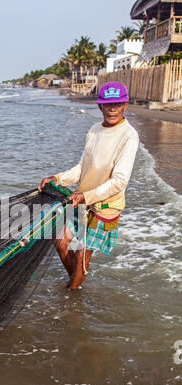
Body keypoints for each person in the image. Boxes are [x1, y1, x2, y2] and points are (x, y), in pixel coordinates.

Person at [38, 81, 139, 290]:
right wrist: (58, 178)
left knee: (82, 256)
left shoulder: (129, 135)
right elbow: (82, 167)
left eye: (118, 104)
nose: (112, 109)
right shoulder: (94, 130)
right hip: (81, 201)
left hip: (105, 208)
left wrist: (87, 196)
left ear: (126, 105)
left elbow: (119, 181)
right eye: (108, 104)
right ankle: (76, 285)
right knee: (61, 240)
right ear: (100, 106)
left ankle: (71, 297)